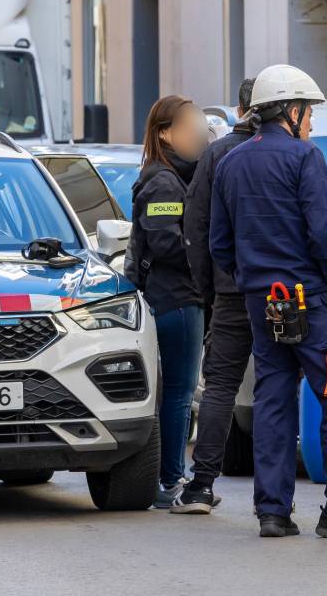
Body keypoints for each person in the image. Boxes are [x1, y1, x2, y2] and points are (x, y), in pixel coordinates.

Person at [210, 64, 327, 540]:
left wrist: (253, 280)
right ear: (291, 111)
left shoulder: (230, 163)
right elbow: (324, 234)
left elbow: (219, 245)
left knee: (273, 398)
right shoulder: (305, 158)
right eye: (308, 113)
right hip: (310, 298)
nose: (310, 122)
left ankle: (272, 511)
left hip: (261, 300)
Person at [171, 78, 256, 514]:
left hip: (230, 291)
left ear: (241, 108)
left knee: (220, 385)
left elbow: (196, 227)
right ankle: (275, 498)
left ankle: (201, 486)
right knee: (278, 386)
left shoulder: (218, 153)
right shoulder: (299, 151)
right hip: (286, 293)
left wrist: (209, 287)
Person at [126, 95, 209, 509]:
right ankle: (171, 481)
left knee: (174, 393)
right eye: (189, 124)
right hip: (175, 299)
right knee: (178, 393)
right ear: (164, 132)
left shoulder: (174, 176)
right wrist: (207, 256)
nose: (199, 132)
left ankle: (170, 476)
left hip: (175, 297)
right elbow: (166, 243)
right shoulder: (163, 181)